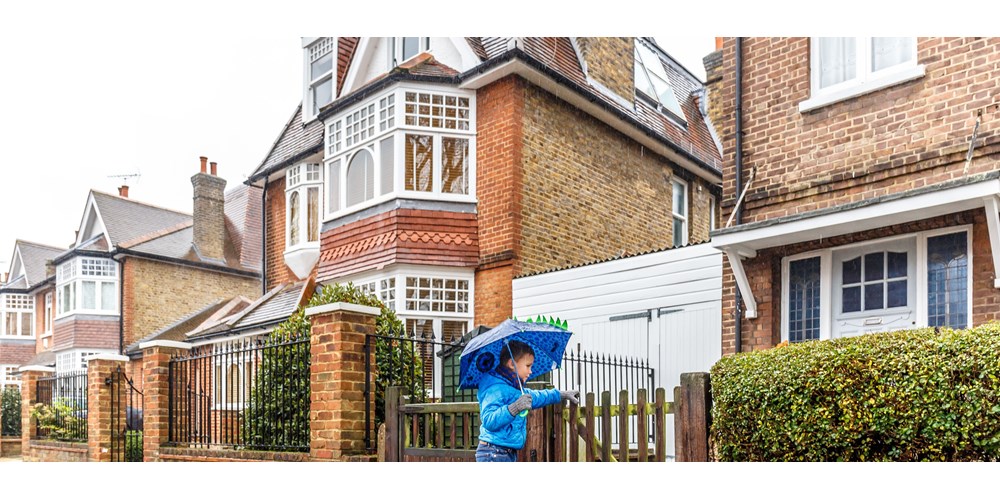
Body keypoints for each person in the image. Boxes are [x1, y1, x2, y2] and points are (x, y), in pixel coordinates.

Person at [476, 340, 580, 462]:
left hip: (505, 451)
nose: (530, 371)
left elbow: (536, 397)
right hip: (493, 452)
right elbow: (489, 420)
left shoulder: (513, 388)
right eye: (528, 366)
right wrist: (515, 408)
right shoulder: (495, 388)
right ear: (511, 364)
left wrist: (561, 394)